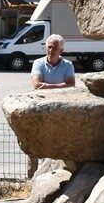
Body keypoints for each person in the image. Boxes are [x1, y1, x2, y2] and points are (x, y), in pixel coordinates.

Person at [28, 34, 76, 177]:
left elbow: (71, 85)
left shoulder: (68, 65)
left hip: (60, 111)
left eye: (54, 48)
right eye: (49, 47)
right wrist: (61, 86)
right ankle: (30, 179)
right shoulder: (38, 63)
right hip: (39, 110)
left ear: (61, 50)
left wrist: (46, 85)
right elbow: (37, 85)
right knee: (34, 148)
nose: (51, 50)